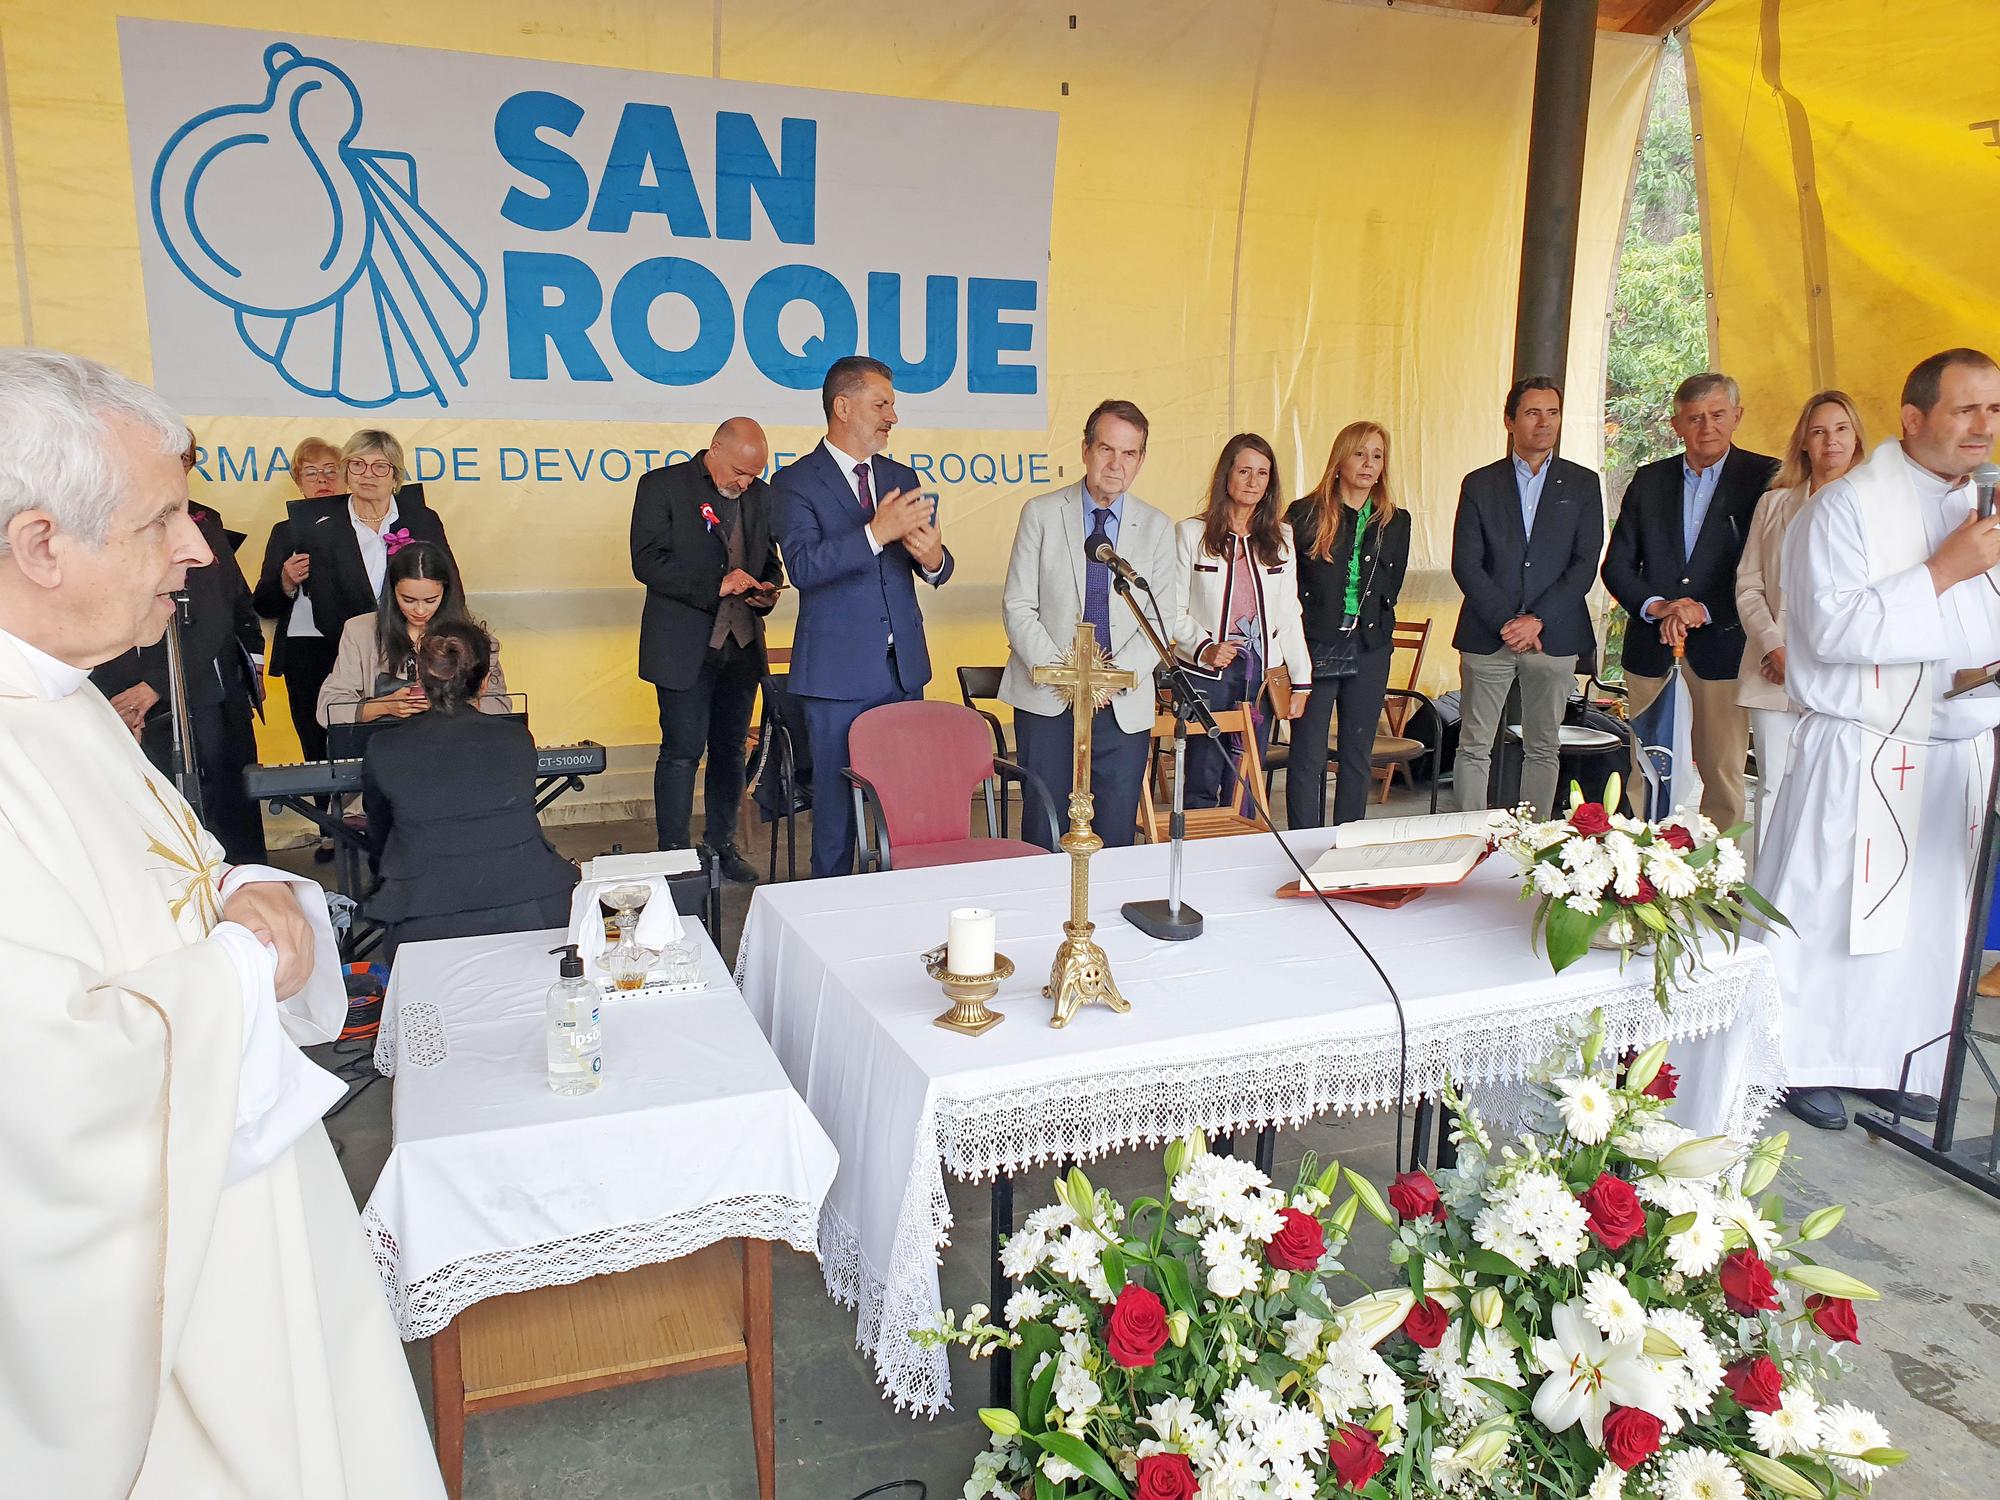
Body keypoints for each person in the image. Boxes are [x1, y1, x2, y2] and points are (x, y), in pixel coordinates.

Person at [0, 348, 442, 1496]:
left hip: (241, 1208)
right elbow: (41, 1088)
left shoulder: (59, 696)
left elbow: (186, 872)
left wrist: (259, 893)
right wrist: (247, 962)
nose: (200, 551)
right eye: (164, 523)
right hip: (153, 1315)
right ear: (41, 545)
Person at [1758, 349, 2000, 1132]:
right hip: (1863, 748)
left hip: (1954, 747)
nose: (1983, 427)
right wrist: (1942, 570)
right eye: (1966, 410)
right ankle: (1800, 1059)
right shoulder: (1848, 507)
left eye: (1994, 411)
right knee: (1831, 914)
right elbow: (1832, 629)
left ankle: (1900, 1057)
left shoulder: (1986, 506)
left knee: (1928, 921)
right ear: (1913, 418)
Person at [772, 355, 953, 877]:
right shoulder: (794, 482)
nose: (892, 416)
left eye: (893, 405)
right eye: (882, 404)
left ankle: (904, 912)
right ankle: (828, 921)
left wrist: (933, 558)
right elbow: (804, 567)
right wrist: (876, 533)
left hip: (903, 671)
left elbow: (935, 562)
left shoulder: (900, 476)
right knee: (835, 817)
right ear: (843, 407)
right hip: (836, 677)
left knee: (907, 808)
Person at [1601, 373, 1780, 828]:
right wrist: (1659, 606)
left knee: (1722, 773)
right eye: (1694, 418)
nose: (1707, 427)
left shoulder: (1766, 478)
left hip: (1723, 647)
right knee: (1647, 768)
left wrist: (1705, 608)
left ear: (1737, 417)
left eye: (1718, 415)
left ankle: (1716, 882)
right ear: (1676, 424)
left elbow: (1768, 569)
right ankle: (1637, 876)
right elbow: (1617, 565)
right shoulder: (1650, 479)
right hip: (1652, 647)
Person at [1001, 399, 1177, 847]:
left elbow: (1160, 618)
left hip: (1120, 704)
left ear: (1142, 460)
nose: (1116, 465)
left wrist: (1108, 682)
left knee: (1115, 829)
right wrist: (1070, 679)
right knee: (1047, 826)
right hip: (1049, 698)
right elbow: (1019, 606)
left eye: (1129, 454)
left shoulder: (1156, 526)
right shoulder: (1040, 513)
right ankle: (1041, 916)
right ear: (1085, 449)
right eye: (1106, 449)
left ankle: (1107, 917)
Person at [91, 433, 269, 863]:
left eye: (184, 457)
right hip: (112, 688)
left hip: (199, 690)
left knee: (220, 808)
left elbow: (219, 613)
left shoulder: (204, 522)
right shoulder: (96, 521)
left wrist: (155, 686)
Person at [361, 622, 577, 959]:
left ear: (420, 681)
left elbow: (380, 834)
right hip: (530, 904)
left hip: (423, 911)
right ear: (486, 682)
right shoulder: (516, 738)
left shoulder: (384, 747)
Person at [632, 417, 783, 883]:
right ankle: (673, 856)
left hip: (740, 647)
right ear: (714, 449)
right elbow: (647, 562)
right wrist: (715, 585)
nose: (745, 482)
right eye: (739, 471)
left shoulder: (759, 496)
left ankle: (722, 845)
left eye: (753, 474)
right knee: (681, 750)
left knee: (730, 750)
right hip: (683, 646)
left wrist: (769, 589)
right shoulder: (662, 486)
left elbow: (768, 560)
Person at [1449, 376, 1605, 818]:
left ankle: (1535, 844)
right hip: (1487, 632)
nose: (1544, 423)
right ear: (1509, 421)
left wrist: (1537, 619)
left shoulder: (1581, 483)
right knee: (1475, 744)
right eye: (1533, 413)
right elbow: (1466, 563)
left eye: (1552, 413)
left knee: (1544, 745)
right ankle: (1470, 836)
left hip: (1553, 634)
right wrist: (1508, 620)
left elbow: (1584, 563)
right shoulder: (1480, 483)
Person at [1734, 391, 1866, 839]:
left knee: (1834, 790)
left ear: (1856, 438)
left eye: (1841, 429)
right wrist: (1774, 646)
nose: (1831, 441)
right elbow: (1748, 584)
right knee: (1773, 787)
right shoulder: (1774, 504)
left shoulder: (1876, 508)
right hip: (1774, 670)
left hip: (1841, 673)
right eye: (1819, 431)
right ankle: (1765, 906)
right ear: (1804, 443)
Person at [1172, 433, 1311, 809]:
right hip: (1207, 674)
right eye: (1245, 471)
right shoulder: (1191, 533)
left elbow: (1289, 612)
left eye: (1263, 473)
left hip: (1260, 676)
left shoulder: (1282, 537)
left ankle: (1244, 854)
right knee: (1202, 775)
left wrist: (1300, 680)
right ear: (1226, 476)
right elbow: (1171, 609)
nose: (1253, 482)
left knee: (1248, 778)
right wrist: (1205, 648)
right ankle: (1199, 858)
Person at [1285, 422, 1411, 828]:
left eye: (1377, 456)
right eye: (1360, 453)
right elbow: (1289, 587)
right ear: (1340, 459)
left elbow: (1392, 586)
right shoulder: (1304, 514)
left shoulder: (1395, 521)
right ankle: (1304, 844)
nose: (1368, 464)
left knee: (1358, 753)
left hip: (1370, 646)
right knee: (1309, 753)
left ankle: (1349, 842)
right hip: (1315, 645)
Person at [287, 429, 453, 653]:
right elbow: (325, 612)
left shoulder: (423, 519)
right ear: (346, 472)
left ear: (395, 475)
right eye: (358, 464)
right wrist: (363, 652)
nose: (368, 474)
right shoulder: (323, 531)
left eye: (380, 466)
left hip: (420, 649)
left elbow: (450, 587)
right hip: (350, 653)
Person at [317, 539, 508, 727]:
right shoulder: (360, 632)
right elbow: (329, 708)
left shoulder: (474, 639)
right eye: (408, 600)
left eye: (431, 600)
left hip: (453, 743)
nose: (420, 610)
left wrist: (446, 700)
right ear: (392, 593)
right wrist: (383, 706)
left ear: (447, 593)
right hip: (382, 746)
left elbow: (501, 707)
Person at [252, 436, 343, 762]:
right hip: (304, 652)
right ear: (298, 482)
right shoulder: (284, 532)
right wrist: (286, 581)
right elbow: (262, 604)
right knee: (316, 746)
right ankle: (327, 812)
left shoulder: (364, 524)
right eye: (312, 473)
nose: (323, 480)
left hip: (357, 647)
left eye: (331, 471)